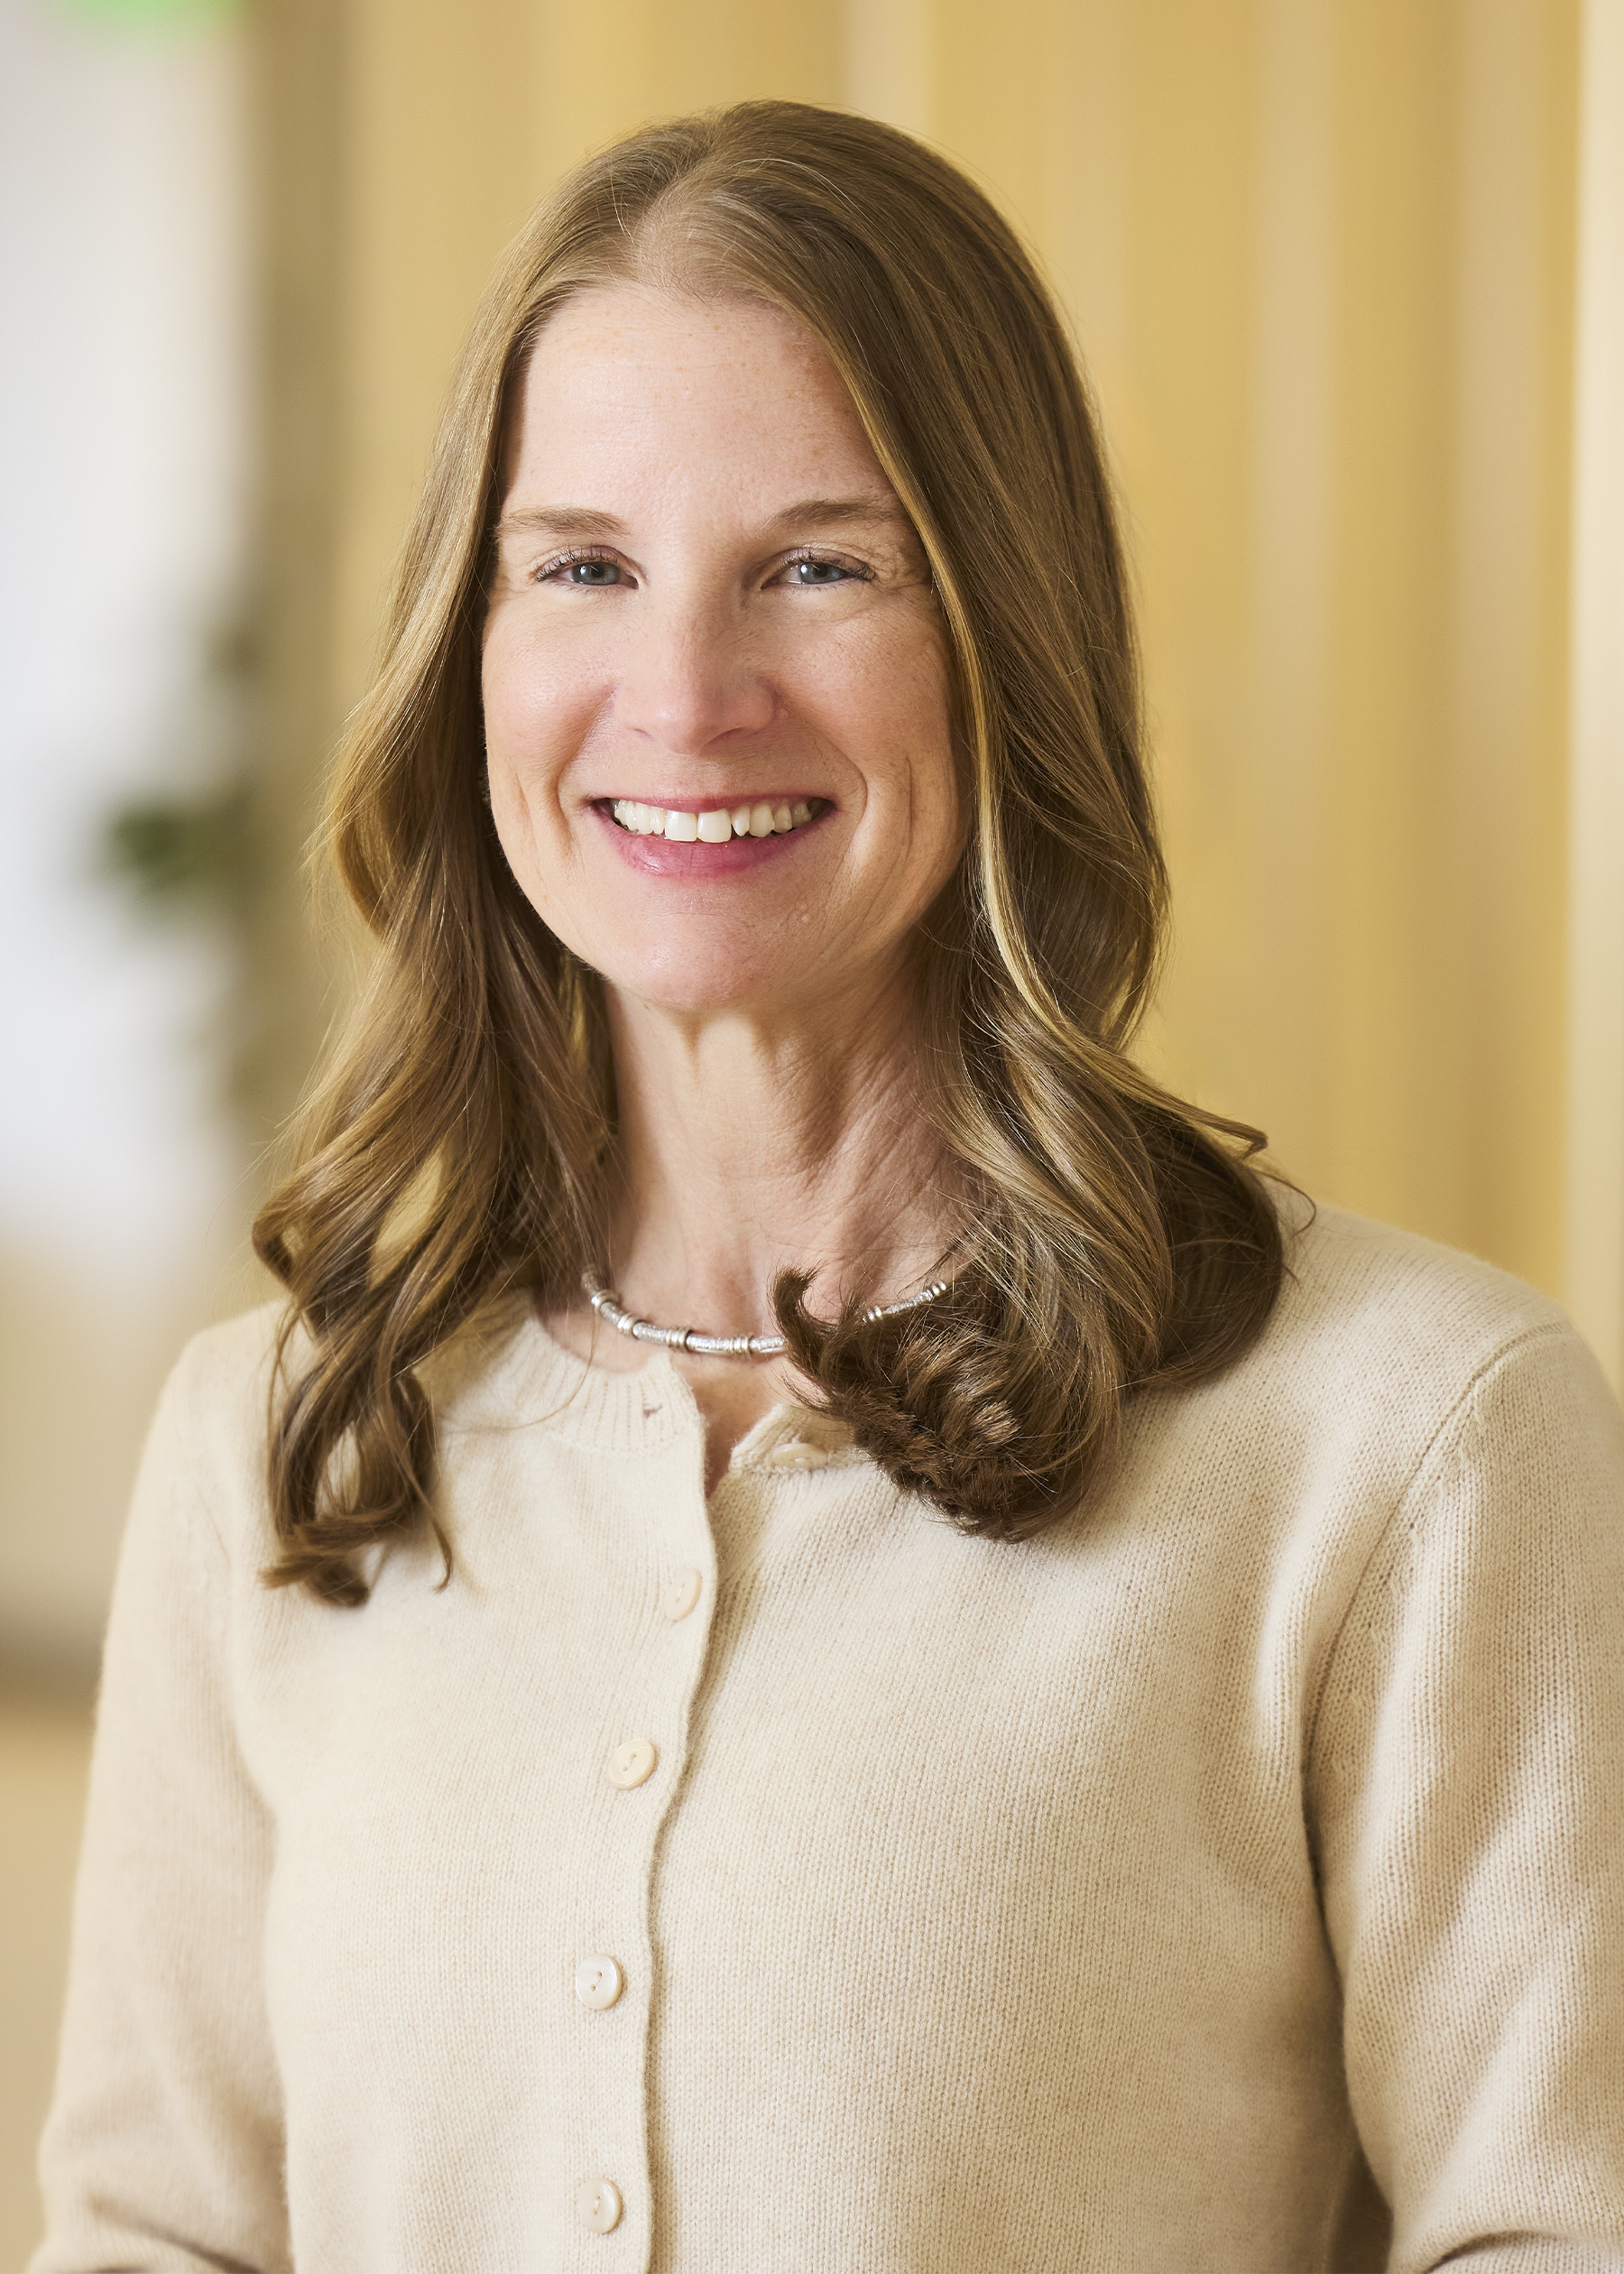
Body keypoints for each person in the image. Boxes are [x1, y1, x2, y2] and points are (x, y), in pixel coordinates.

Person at [31, 99, 1624, 2274]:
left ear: (1003, 633)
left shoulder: (1411, 1440)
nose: (682, 696)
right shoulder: (281, 1433)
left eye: (819, 565)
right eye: (581, 564)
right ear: (469, 649)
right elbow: (154, 2234)